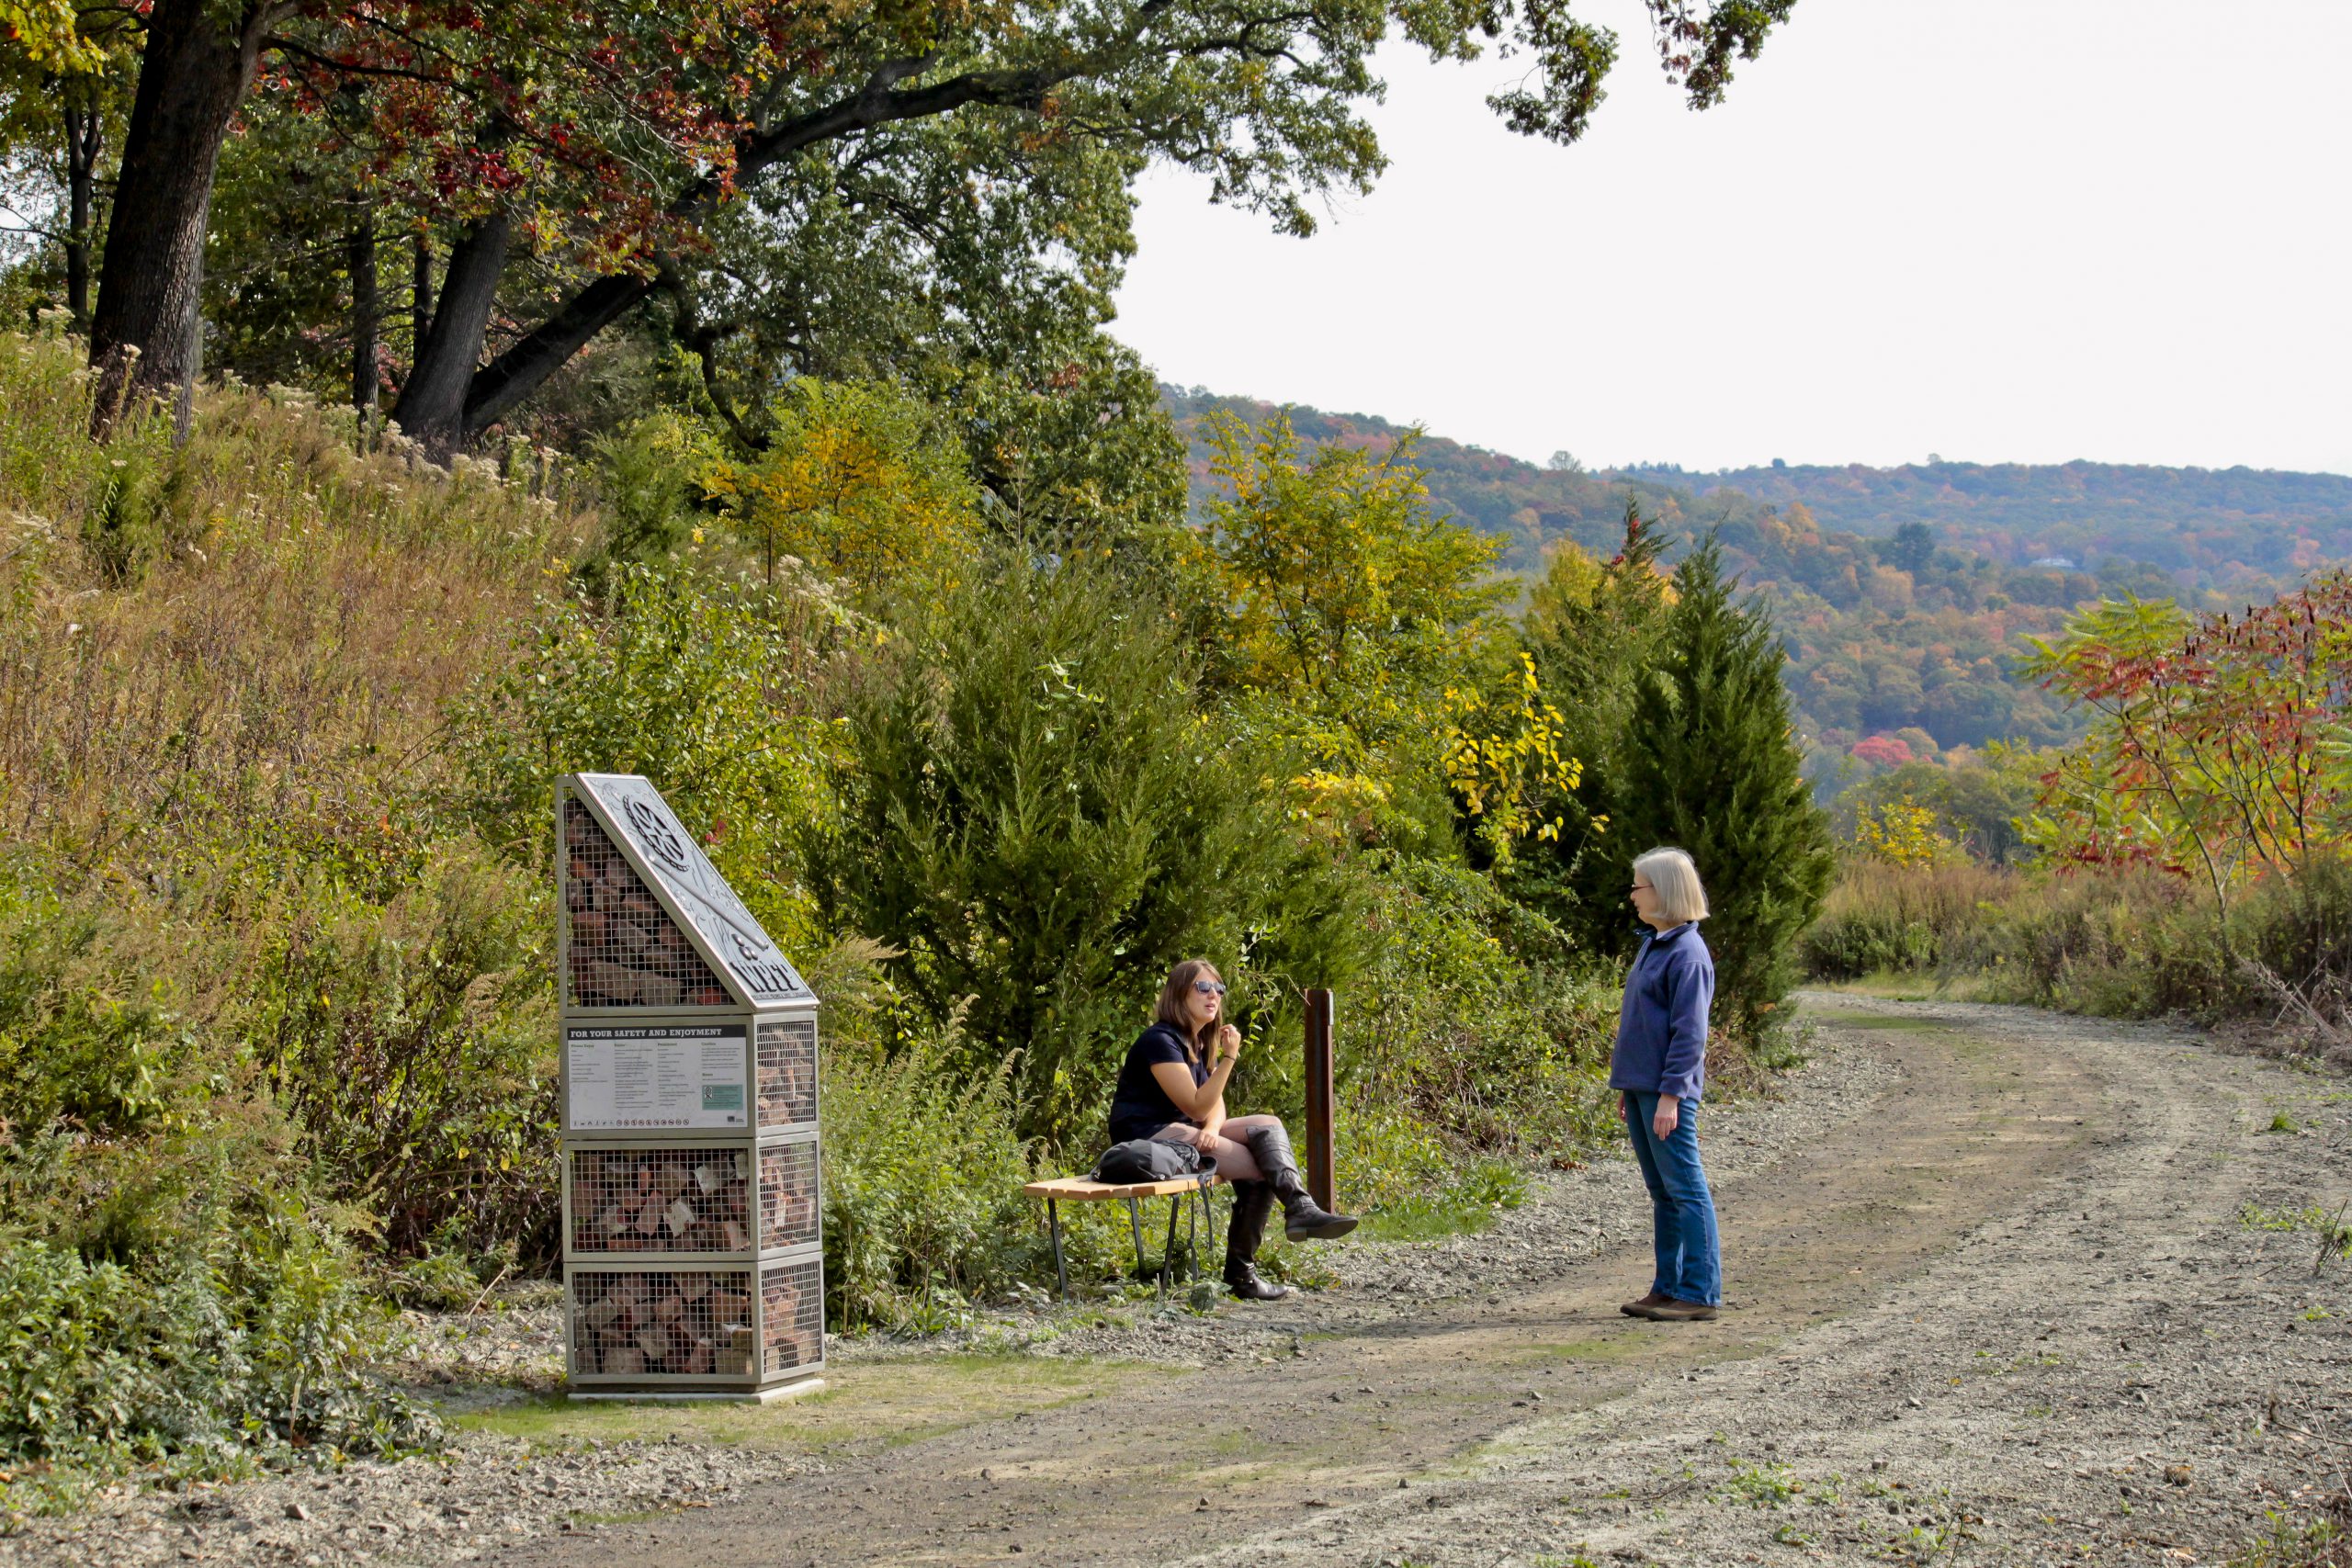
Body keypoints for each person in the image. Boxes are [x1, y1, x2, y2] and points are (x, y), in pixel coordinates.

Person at [1107, 958, 1357, 1301]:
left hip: (1181, 1131)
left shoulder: (1193, 1041)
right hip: (1146, 1138)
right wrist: (1229, 1059)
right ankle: (1243, 1274)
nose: (1214, 996)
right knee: (1258, 1169)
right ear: (1179, 994)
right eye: (1203, 987)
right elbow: (1196, 1103)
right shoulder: (1159, 1041)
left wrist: (1212, 1126)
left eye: (1219, 989)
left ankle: (1300, 1209)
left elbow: (1213, 1104)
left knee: (1268, 1124)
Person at [1610, 847, 1722, 1323]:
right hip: (1641, 1088)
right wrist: (1628, 1088)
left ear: (1664, 891)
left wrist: (1672, 1095)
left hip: (1666, 1093)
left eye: (1640, 886)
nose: (1633, 895)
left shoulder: (1688, 954)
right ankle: (1667, 1287)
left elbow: (1689, 1034)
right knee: (1663, 1192)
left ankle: (1699, 1293)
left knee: (1686, 1189)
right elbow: (1642, 1026)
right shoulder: (1654, 943)